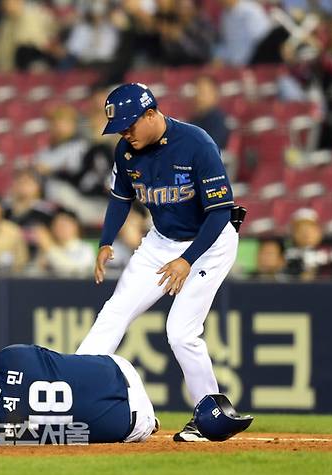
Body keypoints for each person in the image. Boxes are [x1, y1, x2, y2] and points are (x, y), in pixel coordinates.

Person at [75, 83, 239, 442]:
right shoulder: (126, 151)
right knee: (114, 313)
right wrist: (105, 241)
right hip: (160, 243)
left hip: (208, 243)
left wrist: (187, 260)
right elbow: (121, 198)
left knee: (180, 332)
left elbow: (219, 213)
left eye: (131, 125)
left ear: (152, 114)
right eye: (120, 128)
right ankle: (73, 395)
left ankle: (209, 415)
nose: (125, 133)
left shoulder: (197, 143)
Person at [0, 344, 158, 444]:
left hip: (135, 424)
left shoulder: (6, 435)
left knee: (68, 430)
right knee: (61, 366)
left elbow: (75, 436)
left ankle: (150, 421)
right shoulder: (9, 357)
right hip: (122, 369)